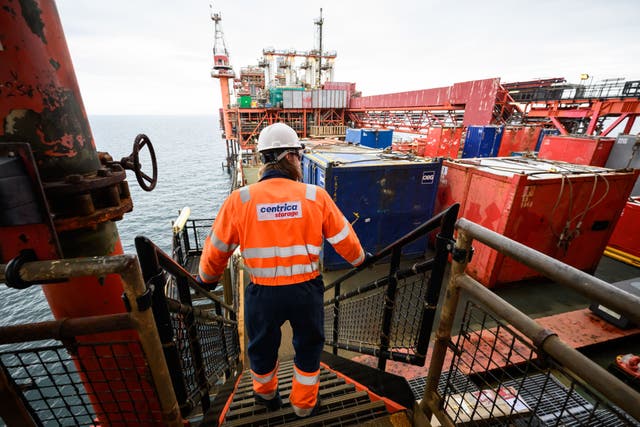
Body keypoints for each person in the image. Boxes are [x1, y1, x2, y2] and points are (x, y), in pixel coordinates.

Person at [197, 122, 365, 417]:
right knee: (309, 347)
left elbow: (217, 248)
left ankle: (266, 397)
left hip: (262, 293)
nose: (301, 162)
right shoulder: (315, 197)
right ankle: (303, 406)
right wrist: (360, 260)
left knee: (261, 348)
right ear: (288, 157)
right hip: (306, 291)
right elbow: (346, 242)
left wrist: (206, 280)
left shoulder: (240, 200)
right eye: (299, 156)